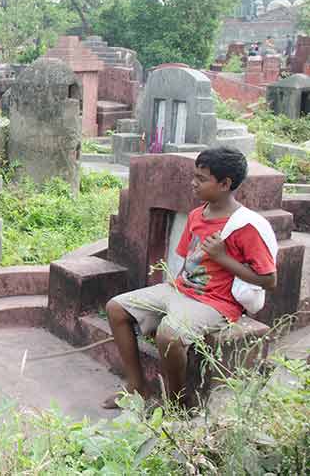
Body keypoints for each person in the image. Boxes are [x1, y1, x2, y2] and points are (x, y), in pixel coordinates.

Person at [102, 147, 277, 410]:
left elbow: (269, 279)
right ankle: (137, 386)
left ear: (225, 184)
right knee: (116, 308)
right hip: (182, 290)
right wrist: (167, 298)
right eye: (193, 176)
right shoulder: (197, 215)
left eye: (201, 178)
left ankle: (177, 404)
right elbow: (187, 261)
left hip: (216, 302)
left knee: (169, 335)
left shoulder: (245, 227)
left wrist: (223, 258)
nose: (193, 183)